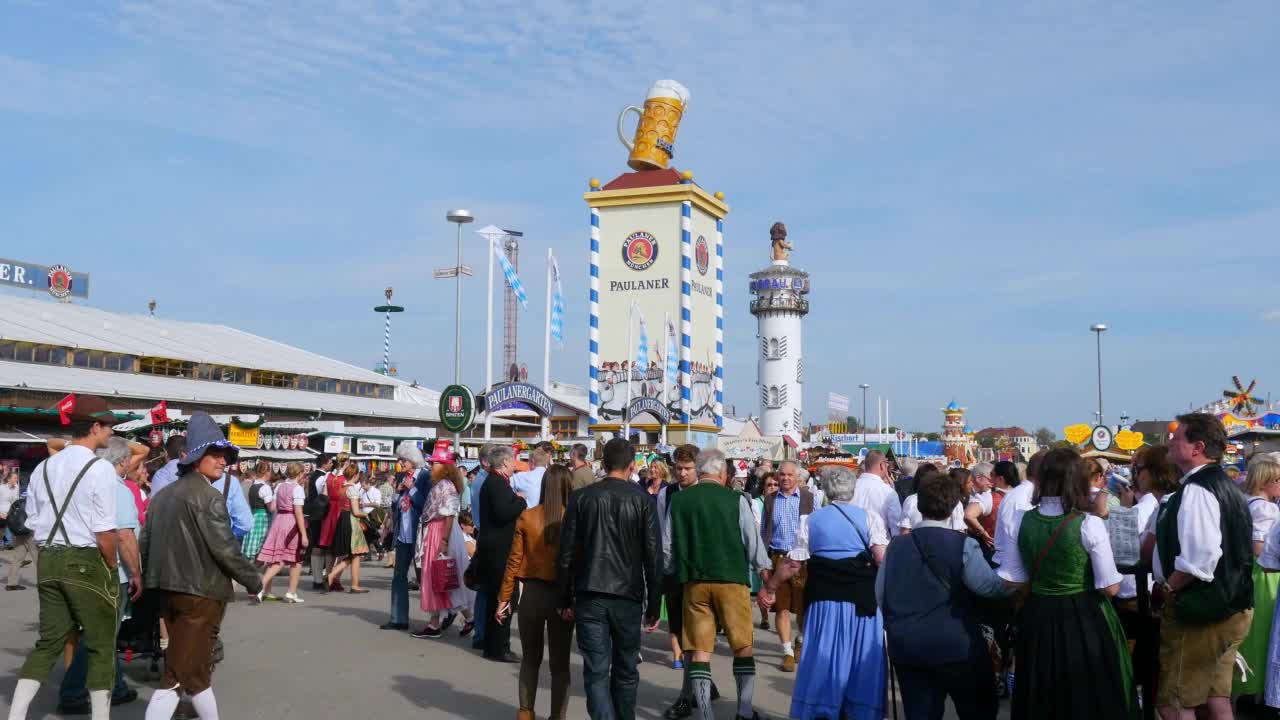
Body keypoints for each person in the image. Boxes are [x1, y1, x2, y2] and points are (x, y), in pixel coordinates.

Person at [139, 411, 263, 720]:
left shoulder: (162, 495)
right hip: (200, 594)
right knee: (177, 677)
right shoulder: (208, 496)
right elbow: (226, 549)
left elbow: (145, 543)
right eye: (216, 454)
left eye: (225, 456)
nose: (223, 461)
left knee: (195, 676)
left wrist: (145, 578)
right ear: (197, 458)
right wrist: (254, 581)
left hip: (168, 591)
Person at [998, 447, 1137, 719]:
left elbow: (1012, 579)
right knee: (1087, 693)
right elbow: (1110, 587)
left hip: (1037, 616)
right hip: (1083, 617)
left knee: (1042, 694)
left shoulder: (1022, 519)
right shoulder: (1088, 523)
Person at [7, 395, 121, 720]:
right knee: (100, 644)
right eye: (108, 427)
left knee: (48, 643)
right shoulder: (100, 469)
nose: (111, 434)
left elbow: (31, 518)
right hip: (85, 558)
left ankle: (16, 715)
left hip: (48, 558)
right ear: (95, 427)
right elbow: (105, 532)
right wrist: (111, 567)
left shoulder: (44, 466)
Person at [879, 467, 1014, 720]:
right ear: (954, 507)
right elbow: (987, 587)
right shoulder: (963, 545)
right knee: (977, 710)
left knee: (921, 713)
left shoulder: (896, 547)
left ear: (919, 505)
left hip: (909, 645)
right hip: (956, 646)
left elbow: (881, 593)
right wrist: (1013, 583)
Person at [765, 465, 889, 720]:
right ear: (852, 490)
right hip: (861, 602)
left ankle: (821, 710)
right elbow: (881, 559)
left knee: (824, 657)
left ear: (826, 491)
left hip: (824, 602)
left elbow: (792, 564)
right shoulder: (870, 518)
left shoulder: (811, 521)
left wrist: (771, 586)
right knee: (860, 659)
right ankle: (859, 711)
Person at [1153, 413, 1253, 720]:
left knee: (1176, 703)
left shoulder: (1198, 489)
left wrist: (1169, 588)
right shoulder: (1225, 486)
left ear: (1197, 447)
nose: (1170, 440)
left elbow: (1200, 559)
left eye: (1177, 437)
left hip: (1202, 610)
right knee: (1215, 699)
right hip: (1232, 606)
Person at [558, 437, 662, 720]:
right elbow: (654, 557)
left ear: (602, 464)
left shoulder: (582, 498)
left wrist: (565, 598)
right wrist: (654, 604)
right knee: (626, 669)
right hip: (627, 595)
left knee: (596, 670)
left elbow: (566, 553)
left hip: (590, 592)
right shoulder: (642, 500)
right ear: (631, 466)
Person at [669, 447, 769, 720]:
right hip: (732, 580)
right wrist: (764, 572)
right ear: (723, 473)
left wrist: (670, 575)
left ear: (700, 471)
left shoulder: (679, 500)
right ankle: (744, 711)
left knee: (700, 649)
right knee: (742, 646)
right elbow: (752, 541)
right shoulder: (736, 499)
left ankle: (705, 715)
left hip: (694, 582)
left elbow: (667, 548)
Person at [58, 436, 145, 714]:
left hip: (82, 566)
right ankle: (72, 694)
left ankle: (116, 685)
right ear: (122, 463)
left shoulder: (87, 482)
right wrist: (136, 572)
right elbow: (124, 535)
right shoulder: (116, 489)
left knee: (105, 634)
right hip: (111, 571)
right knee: (99, 637)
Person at [498, 465, 575, 720]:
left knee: (530, 660)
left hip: (531, 593)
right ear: (568, 487)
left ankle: (525, 713)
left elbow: (513, 561)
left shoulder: (527, 517)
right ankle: (557, 716)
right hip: (561, 597)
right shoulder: (571, 518)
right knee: (560, 666)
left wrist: (504, 598)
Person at [658, 444, 721, 719]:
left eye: (687, 468)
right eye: (678, 468)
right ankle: (701, 685)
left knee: (697, 637)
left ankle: (688, 695)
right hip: (676, 573)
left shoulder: (709, 494)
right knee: (683, 635)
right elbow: (663, 536)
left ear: (699, 468)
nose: (682, 473)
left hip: (704, 574)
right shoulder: (667, 494)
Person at [476, 444, 528, 662]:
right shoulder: (497, 483)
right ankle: (499, 647)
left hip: (493, 546)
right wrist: (521, 500)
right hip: (499, 549)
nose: (514, 464)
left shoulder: (496, 482)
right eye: (513, 460)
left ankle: (493, 644)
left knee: (495, 597)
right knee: (505, 595)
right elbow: (503, 512)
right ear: (505, 461)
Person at [761, 459, 815, 672]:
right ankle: (787, 652)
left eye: (789, 475)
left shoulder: (810, 498)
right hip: (778, 557)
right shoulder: (770, 499)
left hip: (803, 559)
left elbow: (816, 528)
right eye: (781, 474)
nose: (785, 478)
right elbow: (764, 531)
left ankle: (800, 639)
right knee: (781, 607)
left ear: (797, 477)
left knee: (803, 607)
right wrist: (763, 560)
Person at [412, 458, 475, 638]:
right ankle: (437, 622)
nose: (431, 467)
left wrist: (445, 541)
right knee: (439, 577)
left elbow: (449, 514)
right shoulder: (444, 484)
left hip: (440, 531)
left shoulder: (446, 486)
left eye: (435, 464)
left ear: (445, 466)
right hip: (437, 530)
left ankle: (439, 623)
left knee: (440, 576)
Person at [1239, 455, 1280, 702]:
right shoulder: (1266, 508)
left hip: (1252, 573)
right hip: (1266, 575)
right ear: (1266, 482)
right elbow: (1259, 547)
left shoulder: (1247, 503)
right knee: (1266, 634)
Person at [384, 442, 431, 632]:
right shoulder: (402, 477)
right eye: (399, 459)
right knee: (398, 576)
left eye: (402, 459)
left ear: (413, 460)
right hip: (403, 535)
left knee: (426, 578)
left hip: (419, 534)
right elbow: (397, 506)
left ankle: (443, 615)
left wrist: (411, 489)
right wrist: (397, 493)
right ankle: (398, 618)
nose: (400, 462)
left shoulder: (425, 477)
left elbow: (427, 505)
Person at [257, 462, 310, 603]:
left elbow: (273, 507)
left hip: (278, 521)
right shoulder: (297, 489)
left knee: (276, 556)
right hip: (291, 523)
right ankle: (288, 592)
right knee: (293, 558)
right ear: (299, 474)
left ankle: (269, 590)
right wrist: (304, 535)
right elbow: (298, 513)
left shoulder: (280, 486)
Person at [326, 465, 369, 593]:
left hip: (343, 519)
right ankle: (333, 575)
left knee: (354, 554)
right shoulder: (353, 490)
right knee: (355, 553)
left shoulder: (342, 488)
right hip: (351, 521)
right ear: (355, 475)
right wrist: (366, 514)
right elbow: (356, 511)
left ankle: (343, 579)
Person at [852, 450, 902, 536]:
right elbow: (896, 527)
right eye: (886, 464)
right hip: (881, 543)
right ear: (882, 465)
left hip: (853, 542)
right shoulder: (888, 492)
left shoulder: (850, 487)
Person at [899, 466, 964, 533]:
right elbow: (959, 530)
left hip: (917, 539)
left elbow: (905, 531)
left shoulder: (911, 500)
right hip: (949, 539)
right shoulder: (911, 500)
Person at [305, 454, 335, 591]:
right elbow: (324, 496)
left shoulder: (313, 476)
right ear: (325, 464)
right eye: (330, 462)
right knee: (323, 546)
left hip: (314, 514)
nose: (332, 464)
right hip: (322, 515)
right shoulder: (324, 477)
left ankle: (318, 579)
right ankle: (322, 578)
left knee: (317, 546)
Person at [3, 469, 35, 592]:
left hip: (18, 525)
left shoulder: (20, 489)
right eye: (15, 478)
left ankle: (11, 583)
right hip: (25, 527)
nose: (17, 480)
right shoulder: (32, 491)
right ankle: (46, 583)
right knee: (38, 555)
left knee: (18, 556)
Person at [241, 461, 276, 566]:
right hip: (262, 518)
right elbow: (271, 508)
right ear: (267, 473)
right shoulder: (265, 488)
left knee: (254, 545)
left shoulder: (253, 486)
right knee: (261, 547)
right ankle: (255, 572)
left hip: (254, 516)